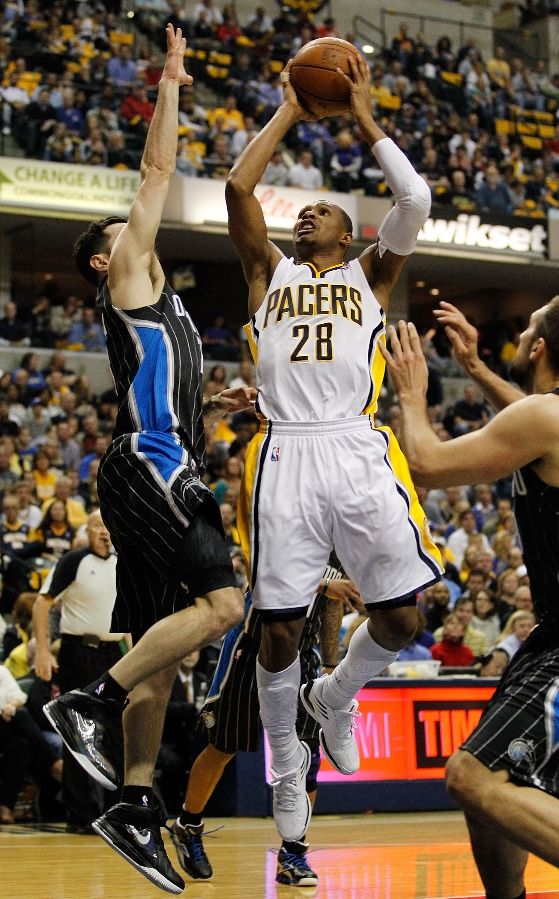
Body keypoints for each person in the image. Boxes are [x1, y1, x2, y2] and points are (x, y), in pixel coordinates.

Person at [41, 26, 247, 894]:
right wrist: (169, 83)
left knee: (163, 660)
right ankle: (88, 700)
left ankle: (129, 800)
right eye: (124, 231)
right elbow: (156, 175)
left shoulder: (158, 307)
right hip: (151, 465)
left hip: (161, 458)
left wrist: (213, 403)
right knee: (225, 601)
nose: (143, 232)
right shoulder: (126, 267)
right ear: (105, 253)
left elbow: (159, 386)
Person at [224, 53, 442, 845]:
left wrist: (362, 116)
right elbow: (238, 191)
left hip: (354, 445)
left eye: (322, 210)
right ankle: (286, 765)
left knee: (401, 613)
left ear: (351, 232)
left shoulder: (369, 275)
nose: (305, 216)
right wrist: (288, 109)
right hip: (285, 448)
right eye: (303, 212)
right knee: (278, 628)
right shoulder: (267, 274)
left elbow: (413, 196)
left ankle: (338, 694)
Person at [381, 298, 559, 899]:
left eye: (526, 326)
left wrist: (410, 391)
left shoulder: (544, 418)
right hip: (548, 637)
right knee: (489, 779)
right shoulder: (545, 420)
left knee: (470, 777)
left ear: (538, 348)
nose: (519, 332)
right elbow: (529, 423)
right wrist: (478, 370)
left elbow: (426, 465)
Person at [173, 556, 359, 888]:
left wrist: (331, 665)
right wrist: (324, 585)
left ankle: (293, 853)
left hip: (302, 653)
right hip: (253, 645)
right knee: (224, 746)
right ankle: (188, 825)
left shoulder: (340, 539)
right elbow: (266, 577)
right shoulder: (286, 517)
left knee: (308, 756)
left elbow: (332, 606)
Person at [33, 510, 124, 831]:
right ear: (87, 530)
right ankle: (81, 814)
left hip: (114, 654)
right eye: (97, 525)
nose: (103, 531)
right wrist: (43, 650)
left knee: (116, 731)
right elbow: (41, 603)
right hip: (77, 651)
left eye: (107, 525)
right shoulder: (73, 561)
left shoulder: (122, 563)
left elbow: (128, 619)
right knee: (78, 730)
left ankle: (117, 814)